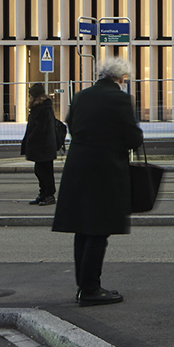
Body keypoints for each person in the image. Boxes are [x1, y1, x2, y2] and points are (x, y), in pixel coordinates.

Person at [52, 57, 143, 306]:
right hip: (104, 169)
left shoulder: (81, 96)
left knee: (83, 230)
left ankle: (84, 287)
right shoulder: (120, 99)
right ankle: (91, 289)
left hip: (77, 166)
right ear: (122, 78)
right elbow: (133, 137)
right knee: (99, 231)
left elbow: (71, 124)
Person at [20, 82, 67, 204]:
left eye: (30, 95)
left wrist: (31, 139)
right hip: (41, 146)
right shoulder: (40, 108)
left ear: (34, 96)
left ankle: (49, 195)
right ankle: (43, 193)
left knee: (45, 171)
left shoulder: (43, 109)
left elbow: (41, 129)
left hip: (43, 146)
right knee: (40, 171)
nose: (29, 98)